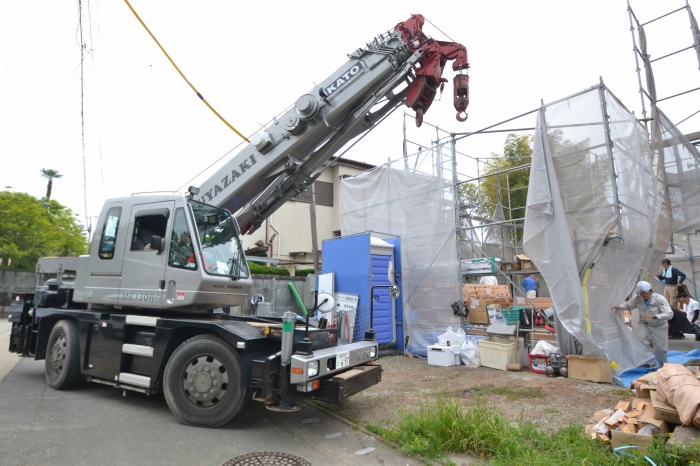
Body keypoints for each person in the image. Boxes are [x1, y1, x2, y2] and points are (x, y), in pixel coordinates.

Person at [613, 280, 673, 368]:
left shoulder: (660, 299)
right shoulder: (637, 298)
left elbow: (669, 314)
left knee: (660, 349)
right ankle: (648, 362)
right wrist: (619, 307)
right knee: (641, 343)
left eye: (645, 292)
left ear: (650, 291)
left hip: (659, 326)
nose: (643, 295)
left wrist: (654, 316)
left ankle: (663, 365)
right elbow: (629, 305)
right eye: (641, 293)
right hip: (645, 324)